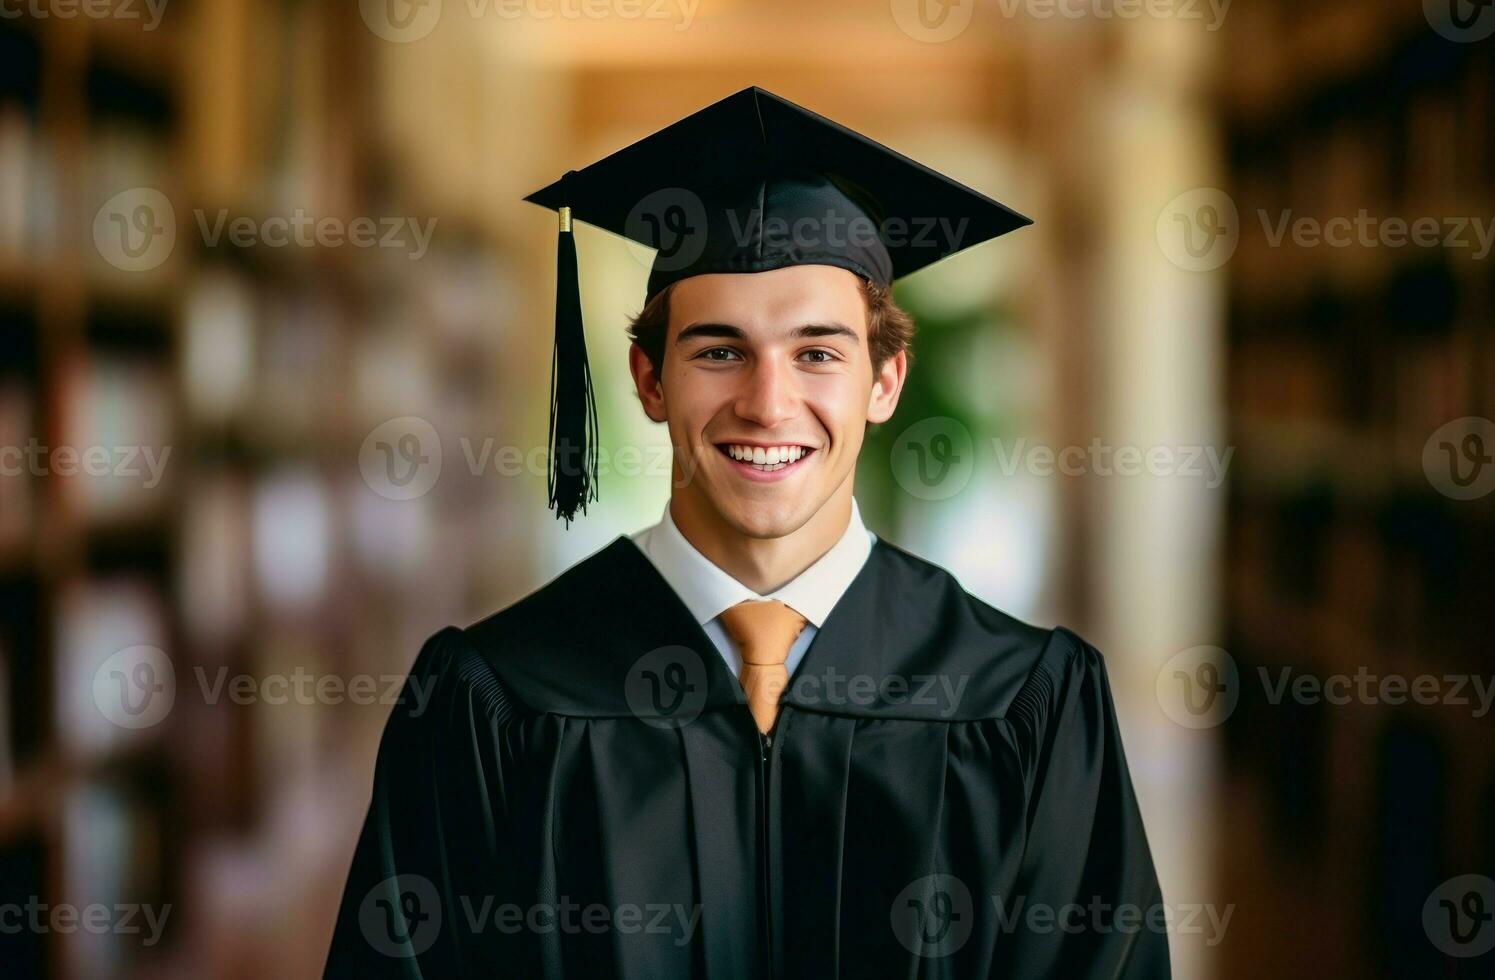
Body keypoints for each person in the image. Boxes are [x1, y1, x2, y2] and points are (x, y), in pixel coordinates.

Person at [323, 86, 1170, 979]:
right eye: (718, 350)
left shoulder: (1027, 705)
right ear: (649, 380)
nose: (768, 404)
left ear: (884, 383)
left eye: (817, 352)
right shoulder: (491, 703)